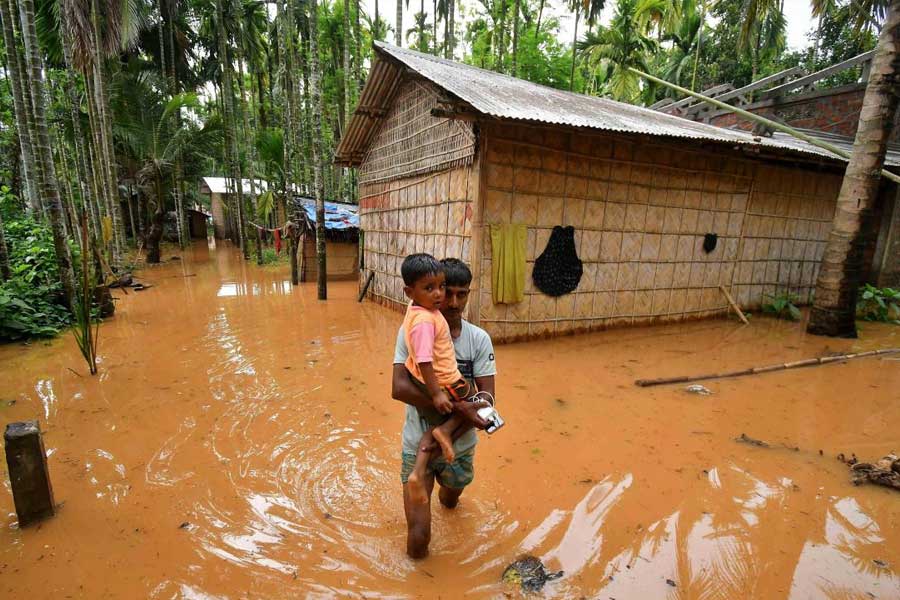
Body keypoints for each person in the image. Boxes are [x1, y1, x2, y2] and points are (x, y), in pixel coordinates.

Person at [391, 257, 496, 559]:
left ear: (467, 295)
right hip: (416, 444)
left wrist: (461, 411)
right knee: (419, 537)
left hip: (459, 448)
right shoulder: (414, 328)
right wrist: (458, 408)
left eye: (460, 294)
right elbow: (398, 388)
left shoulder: (478, 340)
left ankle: (443, 444)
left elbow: (489, 399)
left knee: (450, 502)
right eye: (445, 292)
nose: (451, 302)